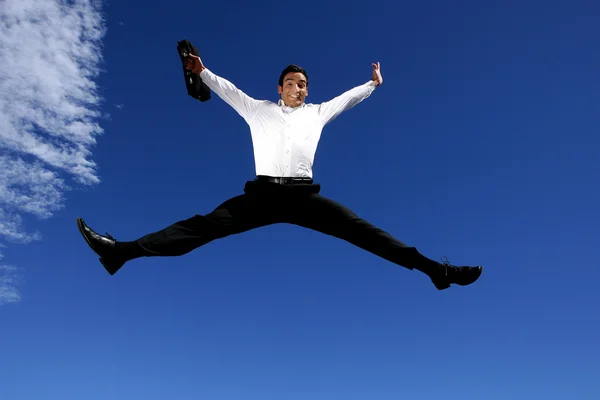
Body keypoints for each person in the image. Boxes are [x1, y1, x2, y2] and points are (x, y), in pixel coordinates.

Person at [76, 52, 483, 290]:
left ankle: (436, 270)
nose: (298, 87)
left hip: (305, 197)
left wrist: (373, 84)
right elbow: (227, 89)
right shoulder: (259, 110)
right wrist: (200, 72)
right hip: (263, 196)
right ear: (279, 88)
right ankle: (120, 252)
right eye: (291, 82)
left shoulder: (318, 113)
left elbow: (348, 99)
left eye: (303, 83)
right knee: (200, 226)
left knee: (363, 231)